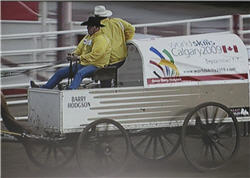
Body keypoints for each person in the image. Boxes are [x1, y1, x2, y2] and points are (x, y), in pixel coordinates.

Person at [31, 16, 111, 90]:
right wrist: (74, 54)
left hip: (97, 65)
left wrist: (78, 58)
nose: (87, 28)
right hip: (85, 64)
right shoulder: (88, 37)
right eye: (87, 26)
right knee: (60, 72)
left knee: (80, 73)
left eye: (89, 26)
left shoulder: (101, 39)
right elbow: (79, 48)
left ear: (95, 27)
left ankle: (71, 90)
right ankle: (44, 88)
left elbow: (96, 55)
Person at [94, 5, 135, 87]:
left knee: (105, 81)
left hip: (108, 61)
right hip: (121, 58)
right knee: (116, 77)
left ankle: (107, 93)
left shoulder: (96, 28)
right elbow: (131, 29)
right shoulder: (118, 22)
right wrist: (126, 40)